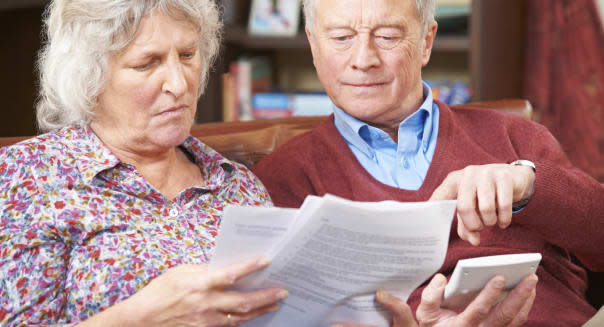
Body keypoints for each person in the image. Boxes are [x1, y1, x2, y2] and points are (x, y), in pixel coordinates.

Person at [252, 0, 604, 326]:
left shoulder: (516, 137)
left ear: (426, 41)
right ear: (314, 45)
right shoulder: (281, 179)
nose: (363, 59)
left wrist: (528, 185)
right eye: (342, 38)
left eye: (387, 36)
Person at [0, 0, 289, 325]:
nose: (179, 85)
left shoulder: (238, 184)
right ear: (89, 77)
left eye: (187, 55)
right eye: (147, 64)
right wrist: (143, 317)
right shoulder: (28, 177)